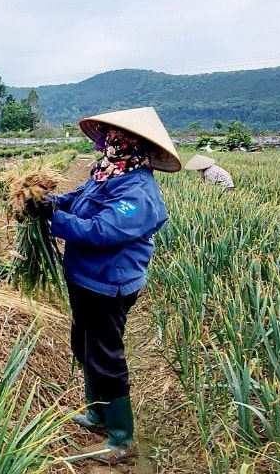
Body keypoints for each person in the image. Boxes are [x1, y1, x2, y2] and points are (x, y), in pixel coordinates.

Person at [38, 107, 181, 465]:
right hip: (85, 277)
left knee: (105, 355)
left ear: (137, 146)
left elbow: (103, 230)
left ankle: (122, 438)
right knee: (83, 345)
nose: (112, 143)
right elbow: (78, 199)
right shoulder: (107, 172)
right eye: (110, 137)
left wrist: (56, 220)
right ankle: (98, 414)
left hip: (109, 283)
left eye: (121, 139)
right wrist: (50, 203)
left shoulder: (139, 190)